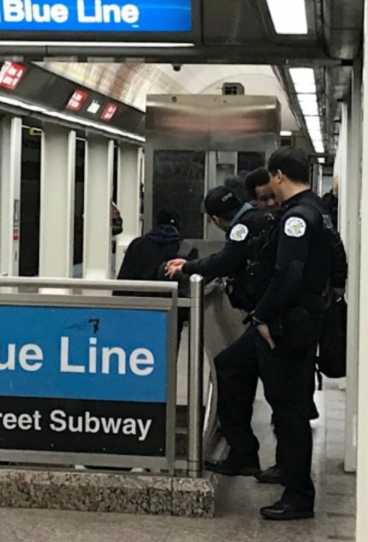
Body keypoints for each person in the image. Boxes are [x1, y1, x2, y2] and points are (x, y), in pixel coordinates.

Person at [215, 147, 335, 521]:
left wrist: (263, 315)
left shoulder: (297, 217)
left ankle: (298, 494)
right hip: (295, 320)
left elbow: (288, 274)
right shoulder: (319, 211)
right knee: (232, 365)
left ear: (279, 175)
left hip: (285, 327)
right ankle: (250, 454)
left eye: (272, 181)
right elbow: (338, 261)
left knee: (290, 409)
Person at [165, 186, 273, 314]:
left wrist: (186, 267)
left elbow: (224, 262)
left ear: (216, 219)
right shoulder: (257, 217)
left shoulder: (242, 228)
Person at [116, 208, 198, 289]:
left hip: (138, 300)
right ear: (179, 225)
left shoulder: (137, 245)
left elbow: (123, 281)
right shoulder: (187, 249)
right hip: (172, 301)